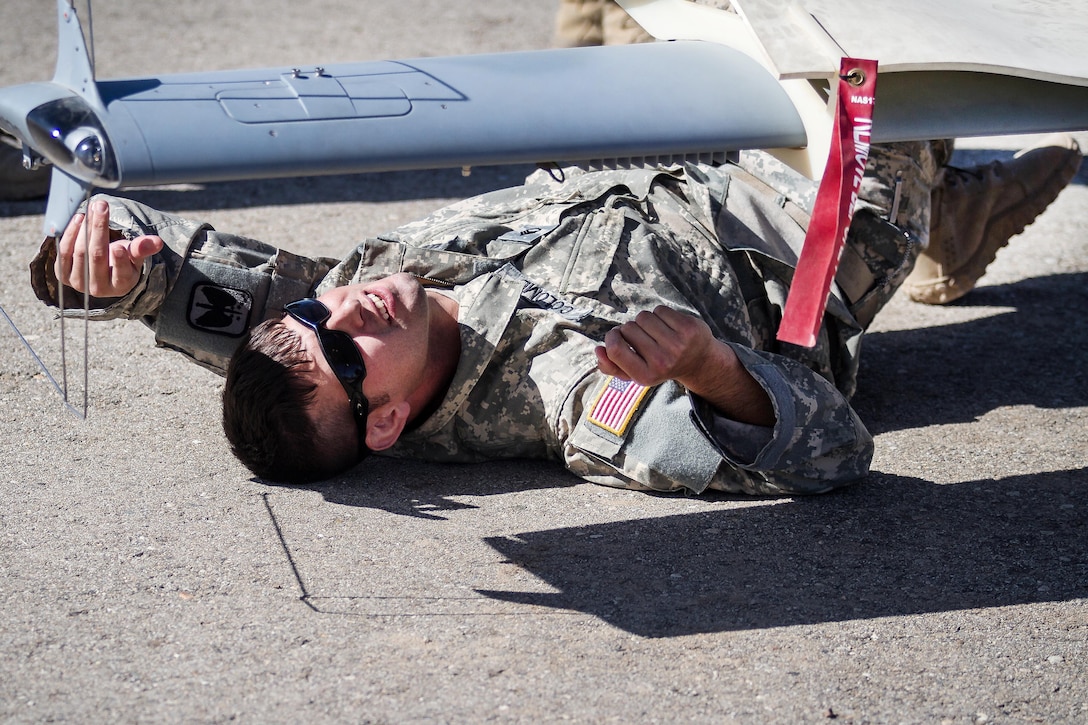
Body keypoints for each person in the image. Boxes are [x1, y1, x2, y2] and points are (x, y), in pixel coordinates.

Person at [31, 136, 1082, 496]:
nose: (345, 304)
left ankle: (953, 222)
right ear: (387, 421)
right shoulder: (575, 399)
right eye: (347, 344)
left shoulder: (340, 319)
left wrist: (103, 275)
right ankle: (926, 212)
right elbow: (828, 453)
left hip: (664, 140)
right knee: (889, 66)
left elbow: (223, 306)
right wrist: (712, 367)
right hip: (786, 237)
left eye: (321, 306)